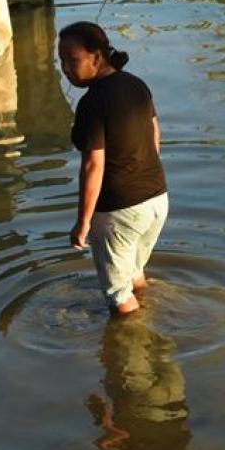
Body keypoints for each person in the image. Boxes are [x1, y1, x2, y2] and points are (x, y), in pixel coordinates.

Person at [58, 21, 168, 316]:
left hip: (119, 210)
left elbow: (93, 166)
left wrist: (83, 223)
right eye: (62, 61)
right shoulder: (136, 84)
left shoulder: (93, 103)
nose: (66, 68)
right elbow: (155, 136)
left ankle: (132, 349)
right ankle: (151, 312)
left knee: (118, 297)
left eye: (72, 59)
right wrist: (143, 177)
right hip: (156, 200)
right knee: (134, 273)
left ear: (96, 57)